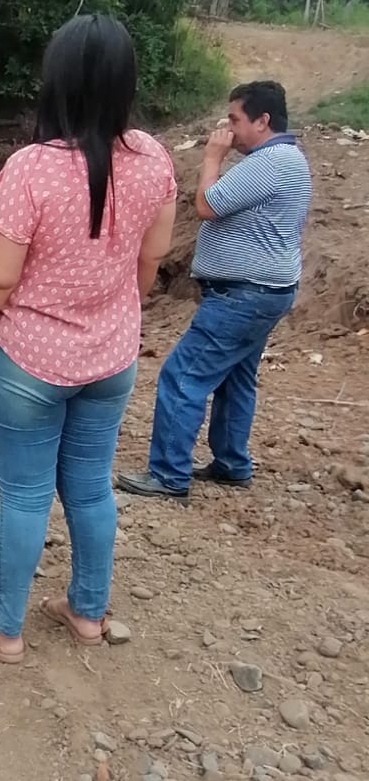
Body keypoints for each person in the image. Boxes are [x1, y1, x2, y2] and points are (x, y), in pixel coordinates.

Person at [0, 14, 177, 665]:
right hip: (112, 358)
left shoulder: (31, 169)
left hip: (30, 363)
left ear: (58, 81)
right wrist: (110, 311)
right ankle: (88, 613)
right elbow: (151, 261)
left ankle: (3, 631)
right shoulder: (153, 158)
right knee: (92, 486)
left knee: (25, 495)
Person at [118, 80, 311, 500]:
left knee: (182, 377)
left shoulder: (270, 162)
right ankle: (231, 463)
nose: (229, 129)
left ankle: (168, 475)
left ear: (263, 121)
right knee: (236, 379)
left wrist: (211, 158)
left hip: (244, 295)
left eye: (235, 120)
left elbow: (207, 205)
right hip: (265, 291)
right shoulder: (287, 159)